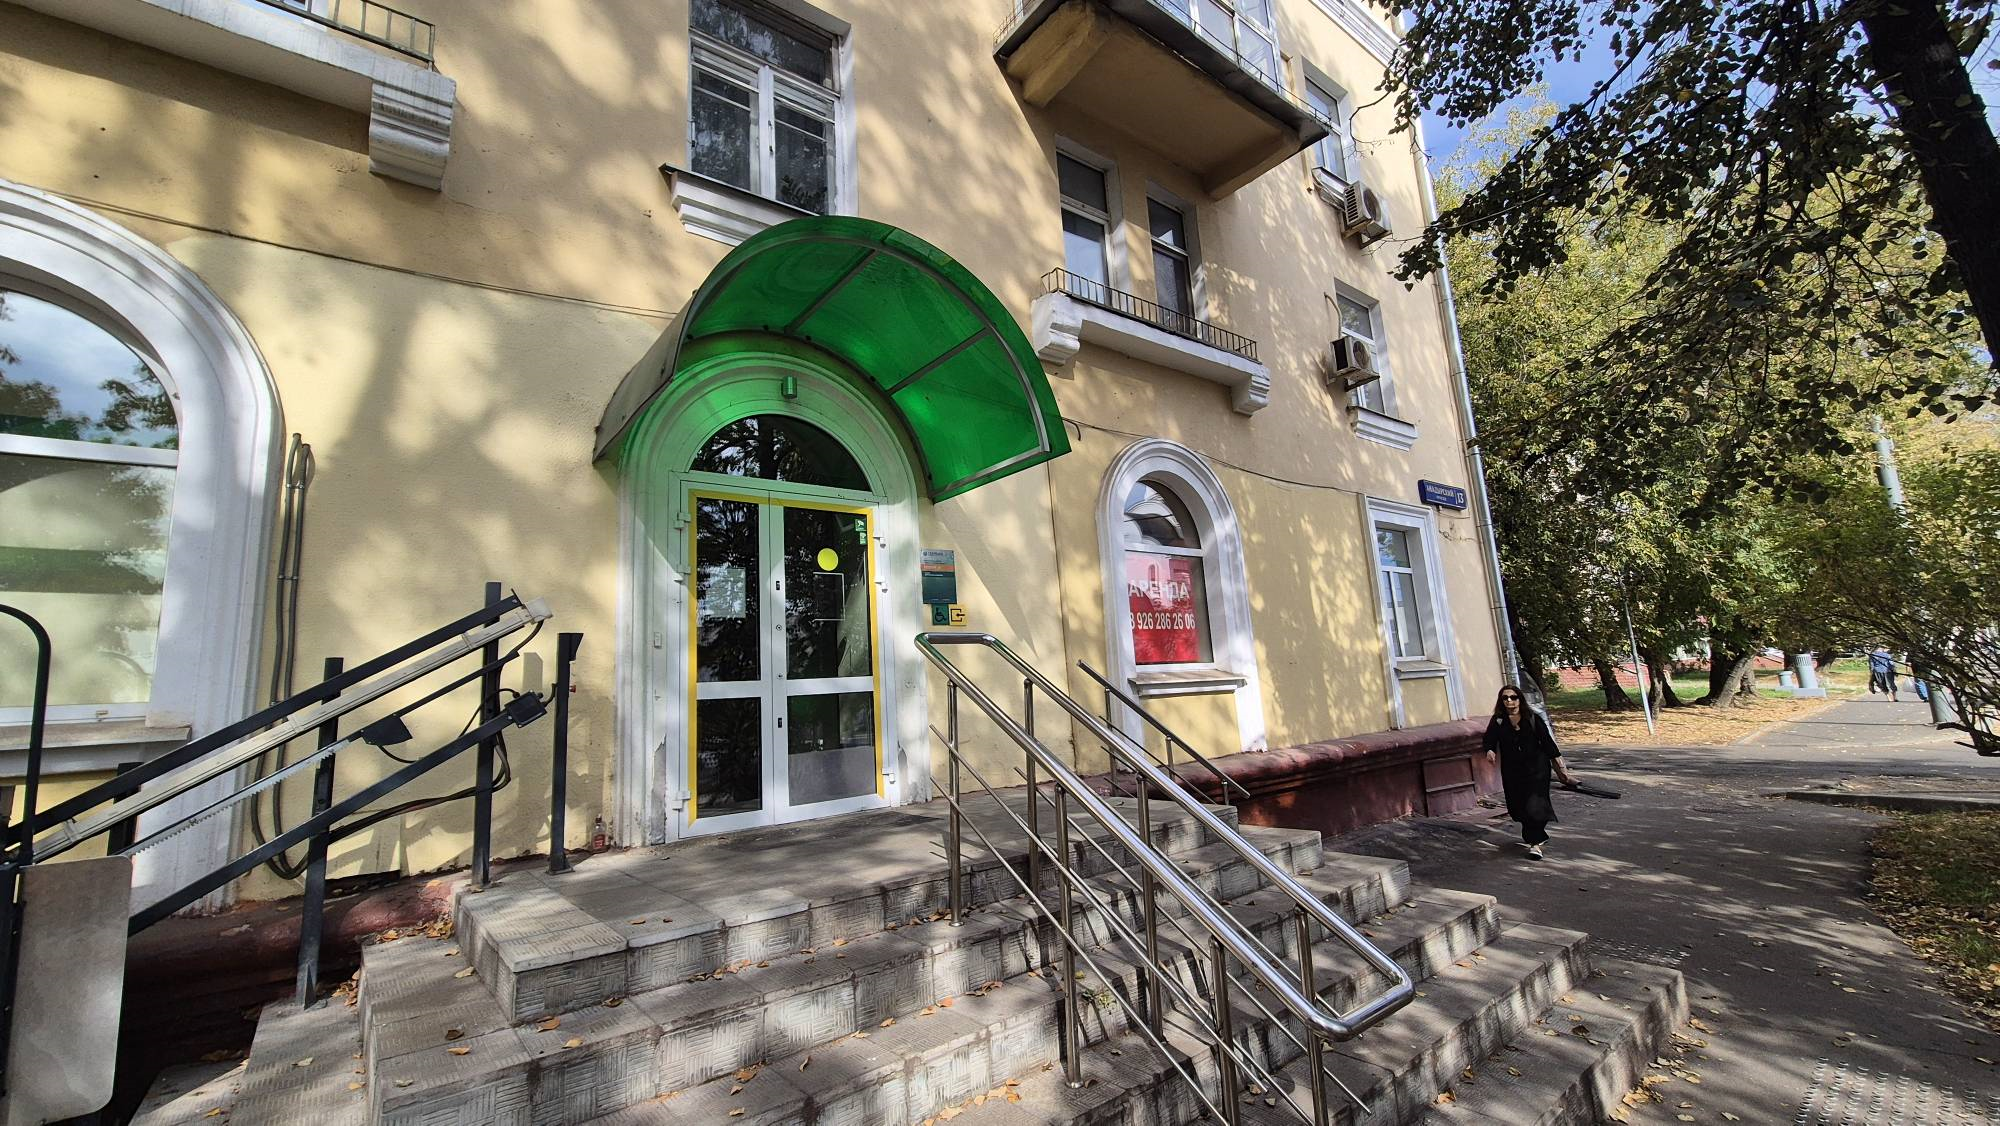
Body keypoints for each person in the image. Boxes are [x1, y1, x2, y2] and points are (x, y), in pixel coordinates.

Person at [1484, 685, 1574, 860]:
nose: (1509, 701)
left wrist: (1561, 768)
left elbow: (1548, 743)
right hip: (1512, 770)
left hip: (1537, 768)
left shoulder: (1532, 718)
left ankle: (1535, 844)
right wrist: (1489, 750)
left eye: (1513, 697)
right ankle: (1537, 835)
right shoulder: (1498, 720)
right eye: (1505, 698)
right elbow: (1489, 739)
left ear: (1520, 699)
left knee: (1535, 805)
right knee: (1517, 805)